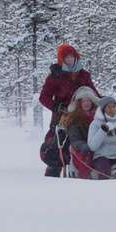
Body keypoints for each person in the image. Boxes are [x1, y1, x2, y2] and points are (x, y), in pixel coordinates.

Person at [38, 44, 99, 176]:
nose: (70, 59)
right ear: (62, 59)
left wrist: (104, 102)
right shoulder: (55, 76)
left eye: (72, 56)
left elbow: (93, 92)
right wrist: (56, 107)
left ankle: (85, 169)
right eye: (67, 57)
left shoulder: (83, 74)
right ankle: (53, 172)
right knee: (57, 143)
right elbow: (44, 97)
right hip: (62, 116)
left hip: (82, 114)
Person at [58, 86, 100, 172]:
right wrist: (87, 147)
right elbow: (75, 140)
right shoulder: (74, 119)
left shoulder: (99, 116)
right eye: (84, 101)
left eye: (88, 100)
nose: (87, 103)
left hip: (100, 147)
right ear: (79, 103)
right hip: (82, 150)